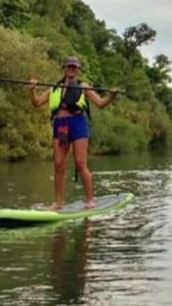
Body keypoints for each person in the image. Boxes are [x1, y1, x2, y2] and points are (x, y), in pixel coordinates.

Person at [29, 56, 119, 210]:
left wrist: (111, 96)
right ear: (64, 68)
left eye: (74, 67)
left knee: (80, 163)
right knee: (58, 165)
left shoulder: (83, 86)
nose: (71, 69)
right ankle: (58, 203)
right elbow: (36, 103)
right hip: (60, 125)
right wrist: (32, 90)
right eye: (69, 66)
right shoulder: (54, 87)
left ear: (78, 69)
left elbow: (100, 103)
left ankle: (90, 201)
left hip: (77, 124)